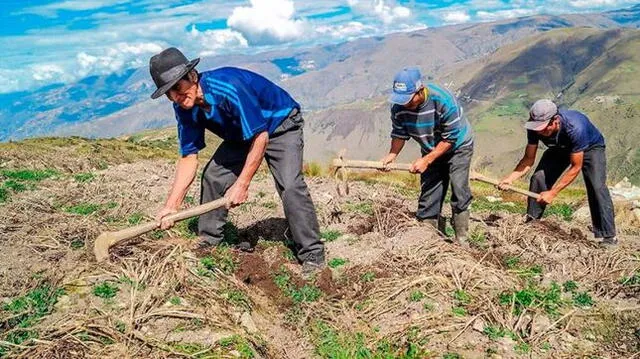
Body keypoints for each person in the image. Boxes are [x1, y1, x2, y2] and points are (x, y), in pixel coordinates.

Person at [148, 47, 325, 275]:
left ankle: (312, 253)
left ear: (192, 76)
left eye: (177, 88)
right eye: (169, 93)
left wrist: (242, 184)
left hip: (280, 124)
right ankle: (209, 241)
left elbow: (261, 137)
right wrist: (171, 206)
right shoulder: (184, 108)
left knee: (290, 186)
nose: (176, 97)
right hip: (242, 134)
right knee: (213, 177)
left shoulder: (228, 87)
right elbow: (188, 156)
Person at [499, 99, 617, 246]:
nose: (539, 132)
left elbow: (575, 167)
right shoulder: (534, 127)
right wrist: (510, 178)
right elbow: (528, 159)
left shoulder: (575, 128)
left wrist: (552, 193)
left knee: (596, 186)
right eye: (537, 128)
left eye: (543, 128)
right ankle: (532, 222)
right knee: (538, 178)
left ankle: (608, 236)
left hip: (590, 148)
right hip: (559, 148)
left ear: (555, 121)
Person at [381, 68, 474, 246]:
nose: (404, 104)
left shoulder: (443, 100)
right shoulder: (398, 108)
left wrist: (427, 159)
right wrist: (392, 155)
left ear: (420, 90)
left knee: (459, 187)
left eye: (408, 99)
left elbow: (450, 138)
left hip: (458, 145)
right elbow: (399, 133)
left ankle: (462, 240)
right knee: (430, 189)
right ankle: (428, 236)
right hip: (430, 146)